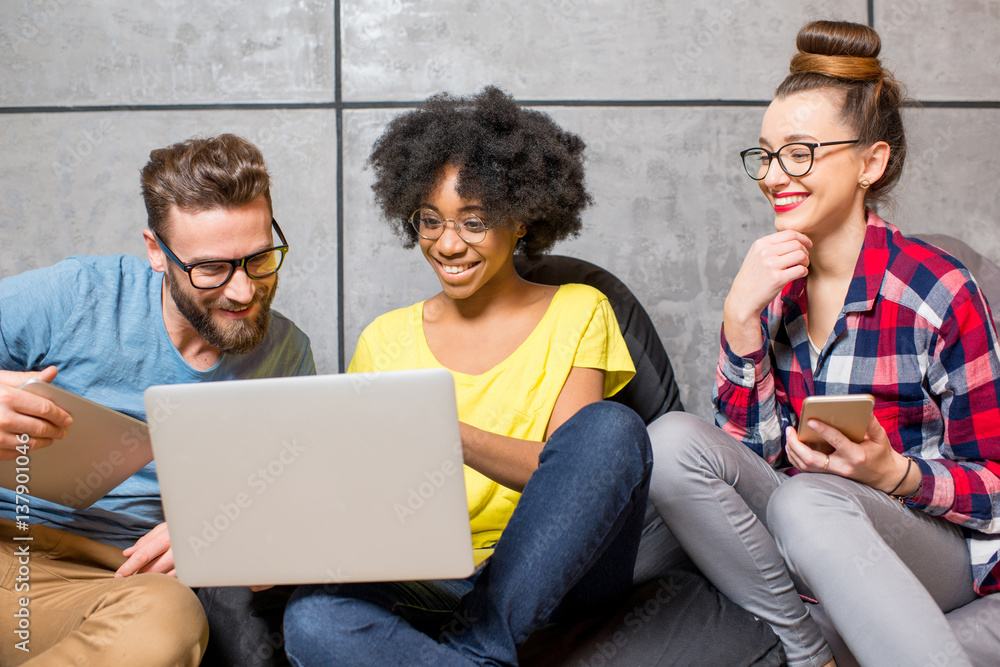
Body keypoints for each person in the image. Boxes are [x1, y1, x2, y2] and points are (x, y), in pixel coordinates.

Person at [648, 20, 1000, 667]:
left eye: (800, 152)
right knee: (669, 443)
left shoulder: (938, 290)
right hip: (802, 534)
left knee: (809, 500)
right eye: (766, 153)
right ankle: (810, 653)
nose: (774, 174)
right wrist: (738, 320)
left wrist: (896, 473)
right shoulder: (772, 288)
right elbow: (744, 466)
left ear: (871, 162)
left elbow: (996, 483)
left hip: (930, 546)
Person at [282, 86, 652, 666]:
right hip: (434, 580)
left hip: (555, 572)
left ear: (523, 218)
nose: (448, 244)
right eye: (430, 221)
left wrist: (449, 435)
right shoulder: (385, 338)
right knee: (312, 620)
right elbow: (361, 492)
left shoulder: (579, 309)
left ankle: (480, 645)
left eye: (473, 222)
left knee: (611, 427)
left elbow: (575, 472)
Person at [0, 133, 315, 667]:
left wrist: (219, 527)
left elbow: (290, 497)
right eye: (211, 268)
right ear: (155, 251)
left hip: (119, 582)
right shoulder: (74, 296)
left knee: (168, 622)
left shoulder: (287, 353)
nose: (243, 291)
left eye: (260, 259)